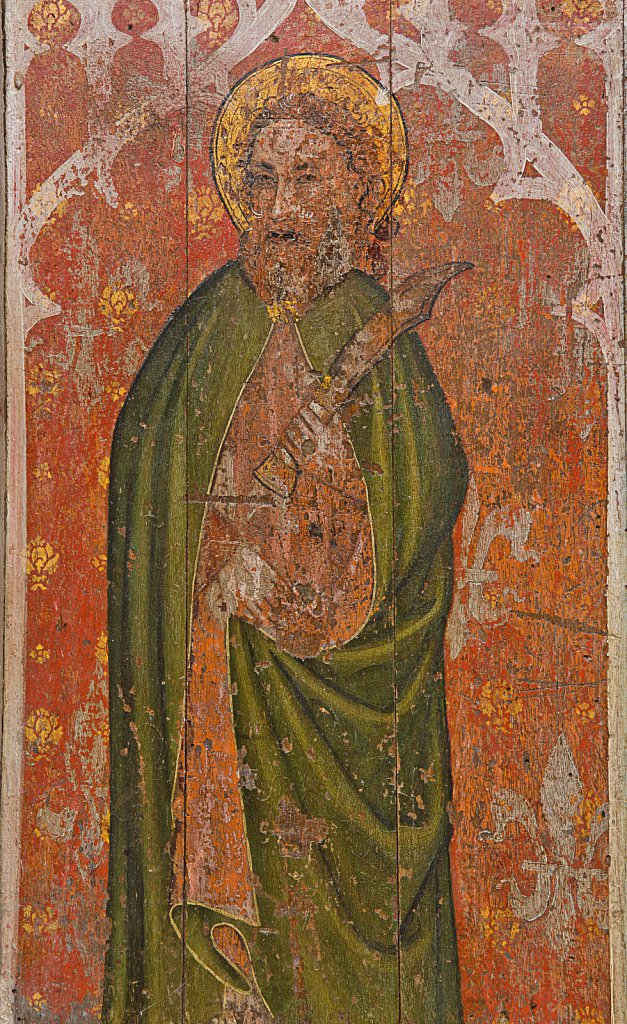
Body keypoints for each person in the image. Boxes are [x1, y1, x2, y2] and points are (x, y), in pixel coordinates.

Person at [103, 54, 469, 1024]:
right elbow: (148, 473)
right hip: (215, 684)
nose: (280, 207)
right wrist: (202, 558)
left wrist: (308, 582)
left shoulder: (376, 332)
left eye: (307, 178)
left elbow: (424, 491)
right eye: (262, 180)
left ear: (357, 192)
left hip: (338, 689)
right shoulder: (204, 328)